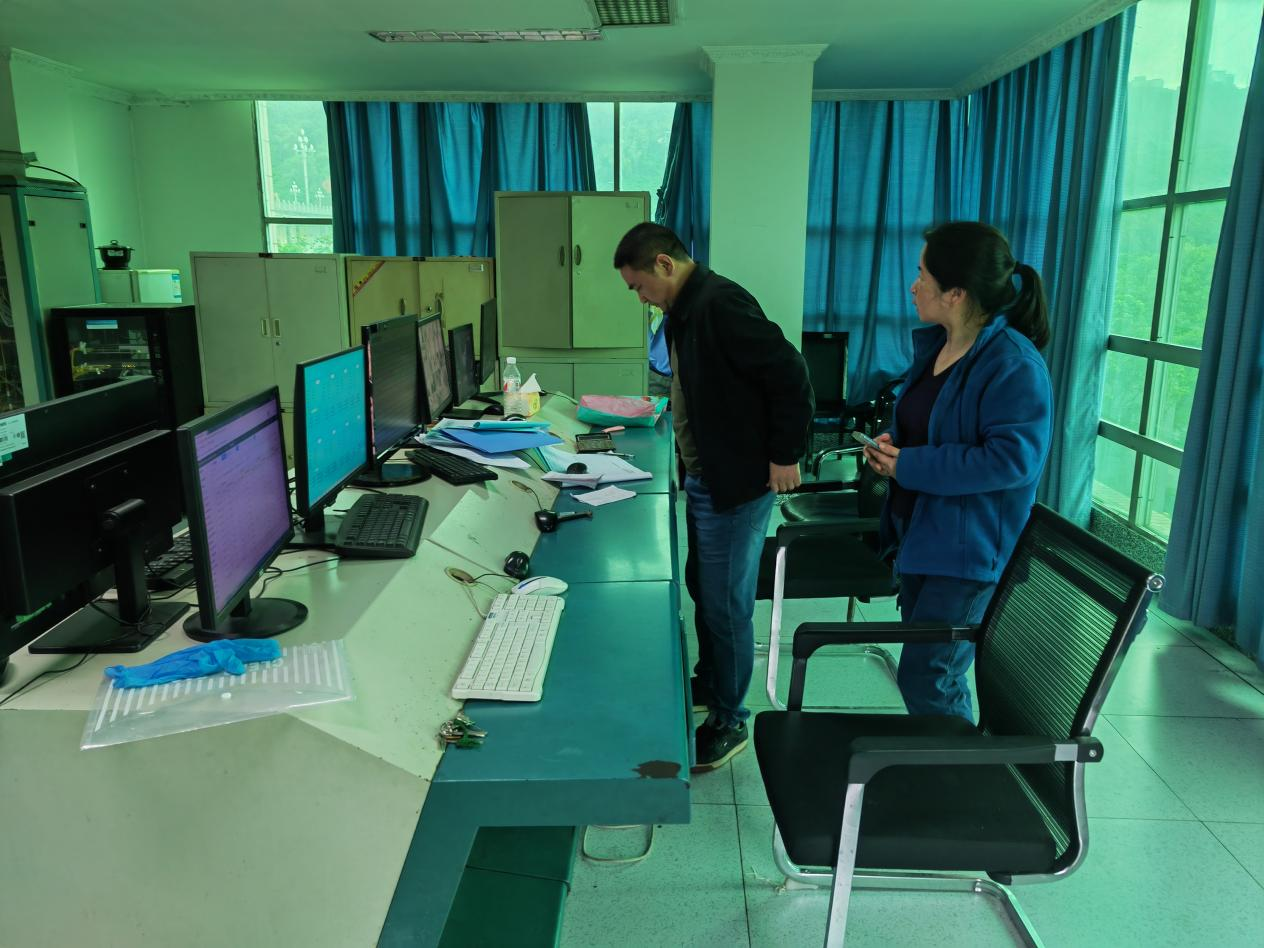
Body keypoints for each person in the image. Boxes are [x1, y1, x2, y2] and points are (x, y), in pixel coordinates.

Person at [613, 223, 814, 771]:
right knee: (703, 585)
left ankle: (730, 720)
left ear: (664, 264)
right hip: (707, 478)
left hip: (736, 484)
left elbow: (791, 373)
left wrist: (786, 453)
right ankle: (711, 682)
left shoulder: (719, 304)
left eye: (639, 286)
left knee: (726, 603)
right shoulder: (684, 311)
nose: (640, 298)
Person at [862, 221, 1053, 722]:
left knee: (930, 678)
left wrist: (910, 464)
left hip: (967, 553)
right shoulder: (939, 347)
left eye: (922, 275)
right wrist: (893, 447)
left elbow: (1011, 460)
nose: (913, 286)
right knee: (927, 674)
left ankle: (957, 769)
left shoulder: (1013, 364)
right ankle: (944, 763)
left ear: (955, 293)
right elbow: (932, 426)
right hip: (922, 535)